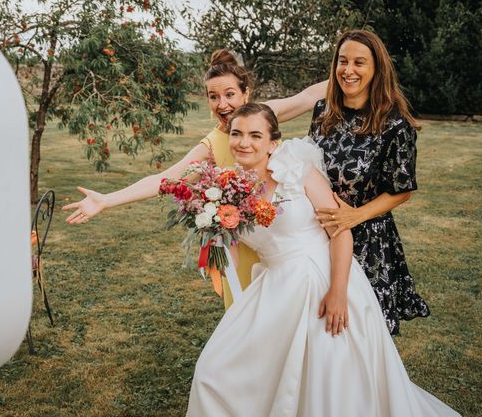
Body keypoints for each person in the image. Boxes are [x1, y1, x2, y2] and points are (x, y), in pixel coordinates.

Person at [187, 102, 458, 416]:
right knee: (213, 370)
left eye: (254, 135)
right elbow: (231, 250)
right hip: (274, 286)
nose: (243, 142)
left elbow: (341, 233)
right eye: (236, 133)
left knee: (327, 375)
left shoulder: (296, 170)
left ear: (272, 142)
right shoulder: (225, 190)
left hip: (323, 279)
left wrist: (338, 293)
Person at [63, 50, 327, 309]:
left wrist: (356, 73)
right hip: (244, 248)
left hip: (286, 239)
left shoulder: (263, 114)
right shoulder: (211, 145)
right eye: (214, 97)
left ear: (245, 93)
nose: (222, 104)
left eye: (230, 94)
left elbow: (308, 97)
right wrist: (107, 200)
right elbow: (164, 179)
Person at [309, 29, 429, 335]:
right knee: (319, 327)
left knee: (361, 330)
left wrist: (355, 216)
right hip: (320, 233)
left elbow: (402, 191)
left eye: (359, 63)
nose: (348, 70)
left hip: (368, 240)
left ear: (376, 69)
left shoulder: (395, 123)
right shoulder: (323, 112)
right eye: (343, 61)